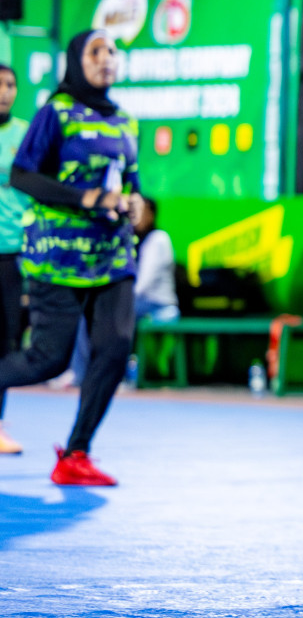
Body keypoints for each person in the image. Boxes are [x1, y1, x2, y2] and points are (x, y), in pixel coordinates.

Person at [0, 31, 144, 487]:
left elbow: (131, 182)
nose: (106, 60)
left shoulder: (125, 121)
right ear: (75, 61)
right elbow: (22, 176)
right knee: (48, 360)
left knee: (116, 348)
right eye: (95, 52)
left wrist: (138, 205)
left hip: (113, 255)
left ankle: (76, 453)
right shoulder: (55, 113)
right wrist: (86, 198)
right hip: (57, 256)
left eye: (112, 53)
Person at [65, 195, 179, 385]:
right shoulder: (128, 237)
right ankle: (81, 373)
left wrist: (113, 301)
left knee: (110, 319)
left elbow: (142, 285)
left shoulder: (158, 239)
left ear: (150, 214)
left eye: (141, 211)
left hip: (156, 306)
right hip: (136, 303)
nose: (135, 215)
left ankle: (117, 374)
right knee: (88, 315)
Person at [0, 64, 30, 455]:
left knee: (5, 342)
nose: (4, 91)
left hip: (11, 253)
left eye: (10, 84)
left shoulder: (25, 135)